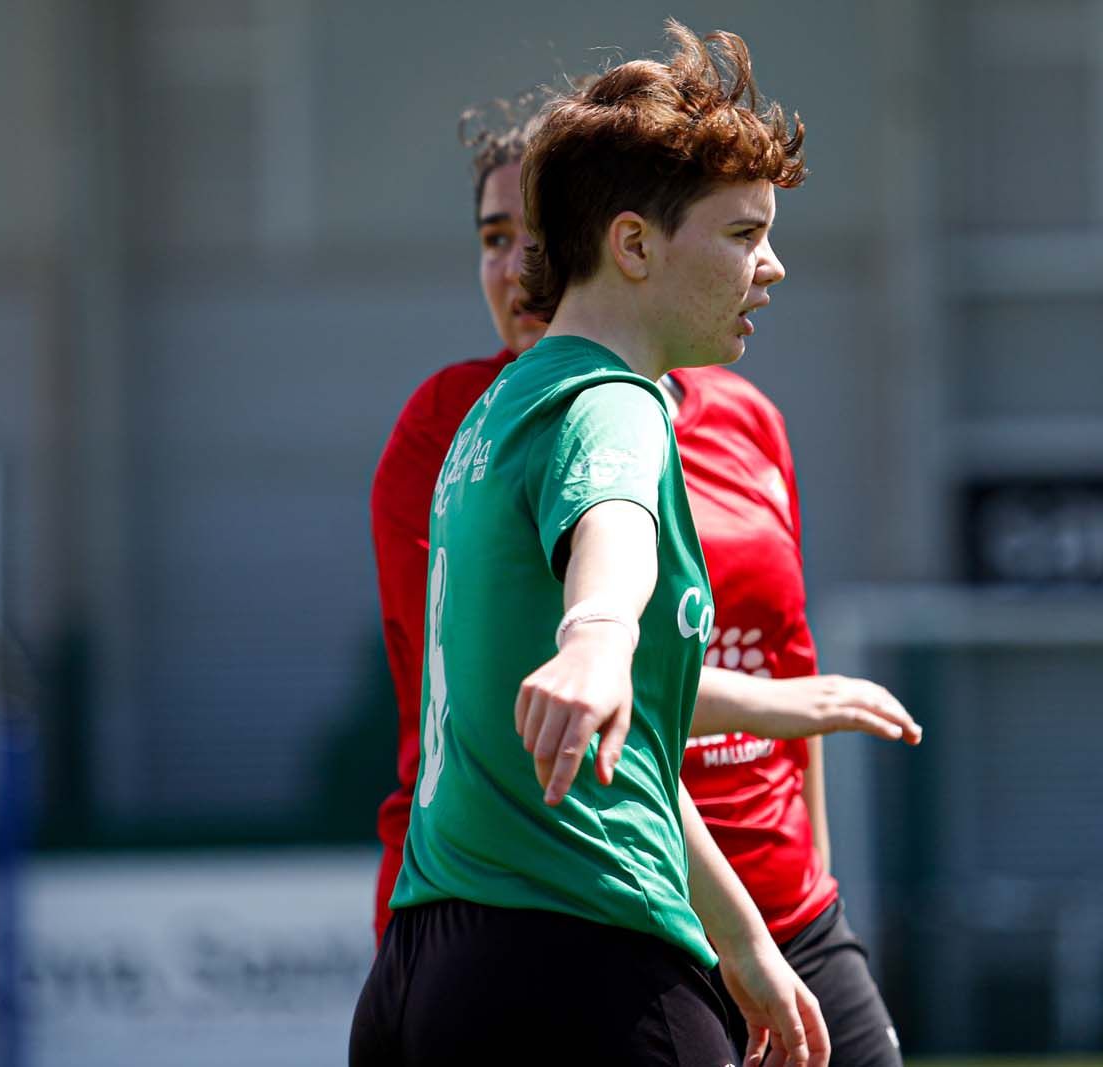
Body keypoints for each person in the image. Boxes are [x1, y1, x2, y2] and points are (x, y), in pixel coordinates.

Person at [363, 40, 919, 1067]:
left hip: (438, 956)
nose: (773, 263)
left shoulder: (493, 415)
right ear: (633, 246)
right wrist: (598, 635)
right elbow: (610, 519)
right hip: (577, 956)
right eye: (746, 232)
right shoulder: (616, 403)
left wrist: (751, 935)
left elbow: (609, 726)